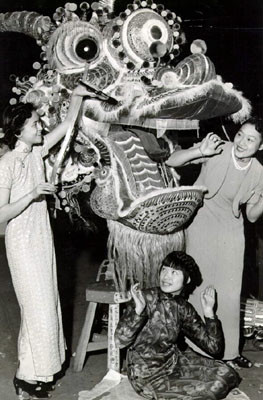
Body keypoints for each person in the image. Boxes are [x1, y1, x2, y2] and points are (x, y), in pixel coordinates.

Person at [0, 84, 95, 398]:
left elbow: (68, 125)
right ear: (18, 131)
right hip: (21, 241)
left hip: (42, 237)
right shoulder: (7, 165)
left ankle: (41, 372)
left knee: (48, 304)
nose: (39, 125)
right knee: (36, 308)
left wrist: (79, 95)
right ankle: (26, 376)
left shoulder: (38, 152)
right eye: (33, 124)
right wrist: (32, 194)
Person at [166, 118, 263, 368]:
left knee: (229, 294)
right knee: (198, 286)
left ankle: (228, 351)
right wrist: (200, 151)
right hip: (201, 222)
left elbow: (251, 215)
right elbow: (171, 160)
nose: (241, 142)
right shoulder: (218, 147)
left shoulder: (258, 172)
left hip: (231, 229)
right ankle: (194, 347)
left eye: (250, 139)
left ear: (261, 146)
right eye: (240, 134)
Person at [115, 251, 240, 400]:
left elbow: (214, 349)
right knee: (209, 390)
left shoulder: (183, 308)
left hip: (175, 363)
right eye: (164, 270)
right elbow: (119, 341)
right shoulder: (145, 297)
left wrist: (209, 313)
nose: (166, 276)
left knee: (225, 373)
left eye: (174, 272)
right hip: (147, 376)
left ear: (186, 280)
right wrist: (138, 311)